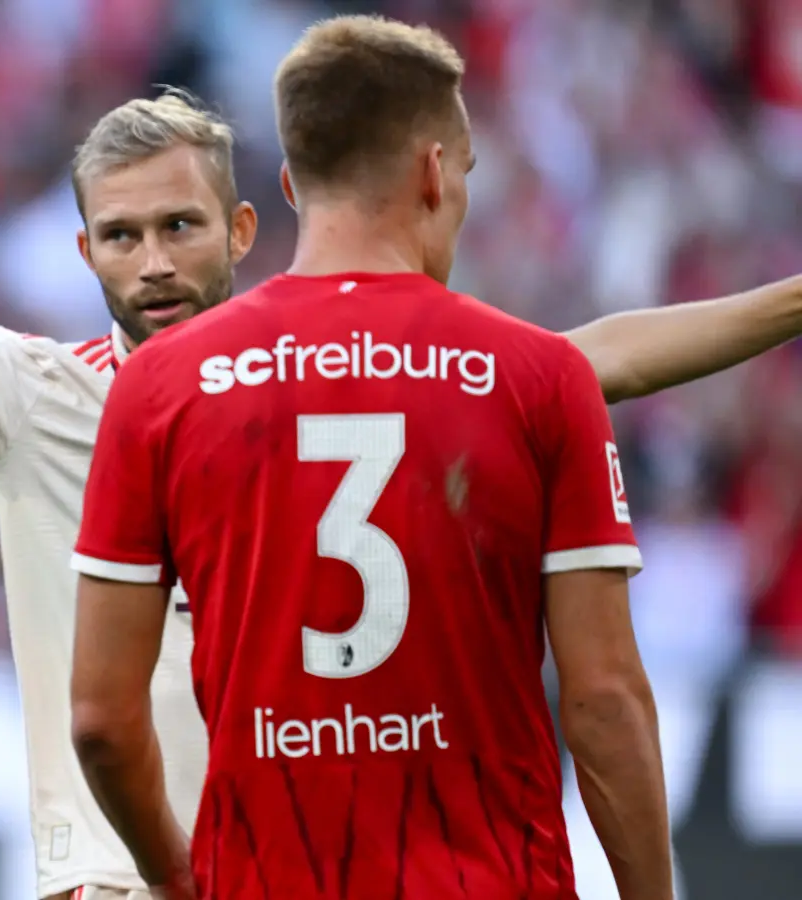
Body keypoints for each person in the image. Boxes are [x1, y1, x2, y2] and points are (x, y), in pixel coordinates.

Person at [0, 81, 802, 898]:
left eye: (180, 227)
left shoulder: (329, 377)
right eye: (121, 237)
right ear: (83, 254)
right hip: (119, 880)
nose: (153, 262)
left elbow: (591, 356)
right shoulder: (19, 395)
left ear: (243, 230)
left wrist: (789, 301)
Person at [70, 15, 672, 900]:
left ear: (288, 183)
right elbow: (604, 700)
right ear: (434, 171)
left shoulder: (160, 385)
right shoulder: (542, 376)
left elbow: (100, 723)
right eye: (465, 172)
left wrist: (180, 879)